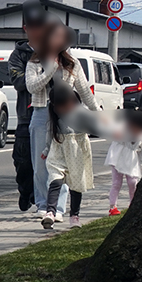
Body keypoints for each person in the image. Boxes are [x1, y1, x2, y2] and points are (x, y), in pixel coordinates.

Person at [26, 21, 97, 224]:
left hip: (68, 117)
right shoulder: (35, 62)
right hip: (42, 113)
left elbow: (84, 91)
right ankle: (42, 205)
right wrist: (49, 71)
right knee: (41, 163)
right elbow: (31, 87)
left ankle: (57, 208)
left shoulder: (72, 63)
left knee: (65, 163)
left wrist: (99, 115)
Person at [9, 0, 52, 213]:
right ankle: (26, 191)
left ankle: (43, 201)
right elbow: (20, 83)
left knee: (49, 163)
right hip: (27, 115)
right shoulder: (19, 55)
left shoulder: (54, 51)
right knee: (23, 162)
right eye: (32, 26)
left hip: (51, 115)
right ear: (26, 28)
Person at [42, 83, 103, 229]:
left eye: (65, 106)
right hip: (59, 149)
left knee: (76, 184)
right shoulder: (53, 115)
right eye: (59, 107)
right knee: (55, 179)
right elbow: (49, 134)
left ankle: (74, 216)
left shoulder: (82, 112)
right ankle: (50, 212)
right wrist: (46, 150)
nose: (63, 110)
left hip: (77, 150)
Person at [105, 109, 142, 215]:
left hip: (131, 160)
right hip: (118, 157)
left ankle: (133, 203)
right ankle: (113, 206)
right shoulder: (122, 129)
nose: (137, 130)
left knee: (133, 182)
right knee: (116, 183)